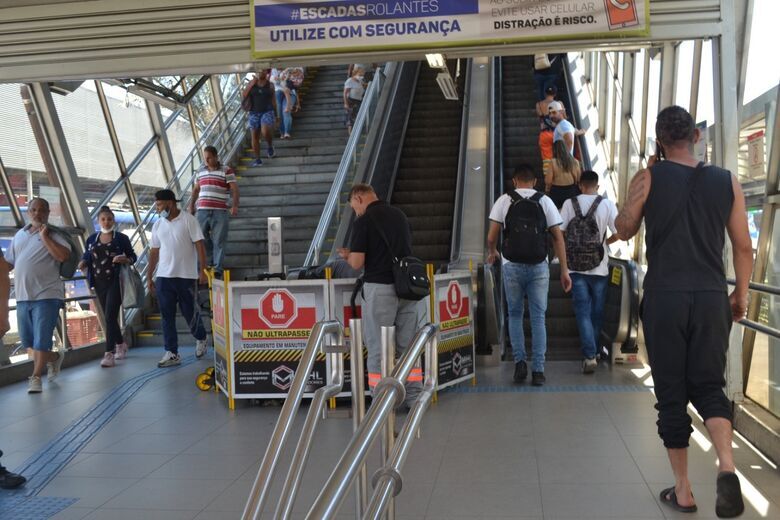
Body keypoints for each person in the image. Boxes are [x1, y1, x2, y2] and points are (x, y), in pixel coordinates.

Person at [615, 106, 750, 518]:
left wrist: (642, 181)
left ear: (658, 140)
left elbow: (623, 228)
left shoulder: (650, 177)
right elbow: (743, 246)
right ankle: (726, 466)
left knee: (671, 393)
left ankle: (685, 490)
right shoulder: (728, 180)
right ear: (696, 135)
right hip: (712, 296)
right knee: (710, 386)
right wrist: (740, 295)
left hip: (666, 297)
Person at [337, 183, 423, 409]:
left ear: (358, 198)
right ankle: (414, 398)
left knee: (378, 348)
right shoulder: (399, 215)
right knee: (408, 346)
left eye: (354, 207)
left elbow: (357, 263)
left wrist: (347, 255)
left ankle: (381, 402)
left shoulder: (363, 222)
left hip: (380, 289)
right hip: (407, 289)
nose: (356, 211)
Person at [487, 165, 572, 386]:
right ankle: (538, 370)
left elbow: (491, 236)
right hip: (538, 266)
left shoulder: (504, 200)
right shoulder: (544, 201)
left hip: (511, 265)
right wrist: (564, 270)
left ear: (515, 181)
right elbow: (558, 238)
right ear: (534, 182)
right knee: (538, 318)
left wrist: (492, 251)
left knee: (514, 315)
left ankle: (519, 364)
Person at [5, 198, 70, 393]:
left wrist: (45, 238)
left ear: (48, 213)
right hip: (24, 295)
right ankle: (54, 358)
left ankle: (35, 378)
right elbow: (9, 263)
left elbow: (62, 256)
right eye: (33, 210)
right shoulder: (19, 235)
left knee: (41, 339)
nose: (37, 213)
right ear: (28, 212)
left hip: (48, 294)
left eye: (42, 210)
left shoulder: (54, 234)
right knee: (28, 342)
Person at [560, 171, 620, 373]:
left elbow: (559, 232)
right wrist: (604, 242)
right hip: (600, 268)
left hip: (575, 267)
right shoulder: (607, 204)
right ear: (598, 184)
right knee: (597, 313)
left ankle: (589, 355)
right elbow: (619, 232)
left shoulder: (570, 204)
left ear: (580, 184)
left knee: (582, 312)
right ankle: (592, 353)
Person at [147, 189, 209, 367]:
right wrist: (149, 276)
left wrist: (202, 270)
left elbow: (200, 246)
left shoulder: (189, 219)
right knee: (167, 316)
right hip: (164, 277)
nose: (158, 208)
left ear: (170, 203)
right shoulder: (158, 225)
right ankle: (172, 352)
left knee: (189, 312)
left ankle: (201, 337)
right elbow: (154, 251)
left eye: (159, 204)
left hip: (186, 276)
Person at [78, 206, 137, 368]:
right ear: (98, 221)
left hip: (116, 282)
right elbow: (87, 256)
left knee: (110, 316)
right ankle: (120, 343)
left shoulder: (121, 239)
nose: (106, 222)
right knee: (109, 317)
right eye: (103, 219)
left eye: (109, 219)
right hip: (98, 282)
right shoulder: (91, 239)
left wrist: (124, 259)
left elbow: (133, 257)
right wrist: (83, 262)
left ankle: (109, 353)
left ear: (114, 220)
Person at [189, 146, 238, 276]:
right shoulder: (200, 172)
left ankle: (217, 268)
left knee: (219, 239)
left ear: (216, 156)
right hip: (202, 210)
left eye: (209, 158)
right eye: (205, 158)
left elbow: (234, 189)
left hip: (220, 211)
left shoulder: (226, 170)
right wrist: (191, 205)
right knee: (201, 237)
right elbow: (195, 190)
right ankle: (210, 261)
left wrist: (235, 205)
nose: (207, 160)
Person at [242, 69, 278, 167]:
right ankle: (258, 159)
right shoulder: (252, 83)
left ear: (267, 72)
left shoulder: (270, 85)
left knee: (265, 131)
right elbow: (244, 95)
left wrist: (276, 115)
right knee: (255, 136)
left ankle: (270, 146)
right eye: (259, 71)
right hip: (254, 112)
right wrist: (251, 84)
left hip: (267, 111)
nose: (260, 72)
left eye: (263, 71)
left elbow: (274, 100)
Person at [546, 140, 582, 208]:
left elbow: (548, 181)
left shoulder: (553, 162)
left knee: (557, 213)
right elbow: (579, 179)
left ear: (554, 150)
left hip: (556, 192)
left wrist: (547, 189)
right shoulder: (575, 161)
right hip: (572, 191)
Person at [278, 67, 304, 139]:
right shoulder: (287, 70)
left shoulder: (298, 72)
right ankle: (282, 133)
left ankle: (286, 132)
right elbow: (281, 76)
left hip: (291, 91)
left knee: (286, 112)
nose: (296, 71)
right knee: (279, 114)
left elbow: (298, 84)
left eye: (297, 71)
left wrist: (293, 77)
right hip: (279, 91)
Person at [344, 67, 365, 135]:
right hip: (351, 101)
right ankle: (351, 137)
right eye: (361, 73)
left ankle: (359, 135)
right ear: (356, 73)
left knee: (358, 118)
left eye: (363, 73)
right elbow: (345, 93)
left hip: (358, 101)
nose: (362, 74)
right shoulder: (350, 80)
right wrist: (346, 103)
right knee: (351, 120)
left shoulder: (360, 81)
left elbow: (365, 85)